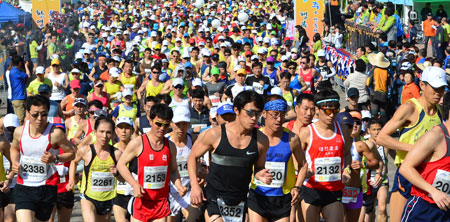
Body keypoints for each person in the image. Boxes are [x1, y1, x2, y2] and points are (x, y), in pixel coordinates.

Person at [188, 90, 272, 222]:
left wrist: (260, 174)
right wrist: (195, 185)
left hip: (241, 199)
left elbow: (259, 168)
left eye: (258, 113)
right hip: (214, 197)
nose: (254, 118)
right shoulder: (215, 134)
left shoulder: (262, 141)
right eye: (250, 112)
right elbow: (192, 156)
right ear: (237, 110)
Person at [376, 66, 447, 222]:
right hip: (407, 174)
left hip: (427, 177)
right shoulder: (410, 108)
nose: (438, 93)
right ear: (422, 85)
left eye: (441, 88)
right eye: (434, 88)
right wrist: (415, 149)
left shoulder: (440, 112)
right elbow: (381, 138)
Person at [117, 104, 187, 222]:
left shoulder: (170, 146)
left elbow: (173, 170)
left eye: (165, 125)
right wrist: (134, 184)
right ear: (150, 121)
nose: (161, 128)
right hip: (141, 202)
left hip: (161, 203)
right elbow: (121, 164)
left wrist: (179, 185)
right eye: (158, 124)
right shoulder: (138, 143)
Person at [10, 95, 75, 222]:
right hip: (24, 186)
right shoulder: (19, 131)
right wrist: (15, 161)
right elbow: (14, 148)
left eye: (43, 114)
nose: (39, 119)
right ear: (28, 113)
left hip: (46, 187)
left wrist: (55, 158)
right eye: (35, 115)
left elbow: (71, 154)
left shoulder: (55, 134)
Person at [248, 95, 306, 222]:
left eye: (282, 114)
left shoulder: (292, 139)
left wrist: (297, 187)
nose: (279, 119)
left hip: (282, 198)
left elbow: (303, 164)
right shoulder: (254, 137)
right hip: (258, 196)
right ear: (264, 113)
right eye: (275, 115)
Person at [297, 89, 352, 222]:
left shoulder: (343, 130)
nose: (331, 115)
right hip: (311, 189)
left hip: (334, 190)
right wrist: (304, 171)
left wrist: (346, 170)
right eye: (327, 111)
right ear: (317, 109)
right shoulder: (306, 132)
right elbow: (296, 159)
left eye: (335, 110)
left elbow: (347, 154)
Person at [398, 92, 450, 221]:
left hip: (446, 210)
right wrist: (433, 191)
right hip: (424, 209)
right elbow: (405, 168)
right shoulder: (436, 135)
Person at [67, 117, 123, 222]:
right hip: (88, 197)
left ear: (113, 134)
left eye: (108, 132)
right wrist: (71, 180)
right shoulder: (85, 150)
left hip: (108, 198)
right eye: (101, 132)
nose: (104, 136)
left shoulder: (117, 154)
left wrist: (117, 174)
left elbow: (123, 179)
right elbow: (73, 162)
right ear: (95, 132)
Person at [335, 112, 379, 222]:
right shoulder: (331, 144)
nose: (349, 128)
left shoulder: (359, 145)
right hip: (336, 189)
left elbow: (375, 163)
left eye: (350, 126)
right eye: (345, 126)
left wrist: (363, 164)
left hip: (353, 190)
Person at [167, 106, 201, 222]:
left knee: (194, 219)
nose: (181, 128)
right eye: (178, 124)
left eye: (185, 124)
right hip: (169, 194)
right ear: (171, 123)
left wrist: (199, 174)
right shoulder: (165, 141)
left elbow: (200, 162)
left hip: (188, 192)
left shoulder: (194, 139)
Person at [362, 118, 389, 222]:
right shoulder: (364, 144)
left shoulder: (386, 144)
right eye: (374, 129)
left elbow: (397, 158)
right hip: (367, 181)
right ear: (368, 130)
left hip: (382, 180)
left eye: (379, 129)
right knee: (370, 211)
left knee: (382, 208)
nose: (377, 132)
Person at [112, 117, 134, 222]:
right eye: (121, 128)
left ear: (133, 130)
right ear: (116, 130)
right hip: (118, 194)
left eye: (127, 128)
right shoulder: (111, 150)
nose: (124, 131)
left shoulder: (138, 148)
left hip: (136, 194)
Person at [10, 56, 31, 124]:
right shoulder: (16, 72)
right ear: (19, 63)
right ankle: (19, 133)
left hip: (15, 98)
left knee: (18, 118)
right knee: (20, 119)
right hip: (19, 98)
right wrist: (26, 66)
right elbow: (28, 75)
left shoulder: (12, 70)